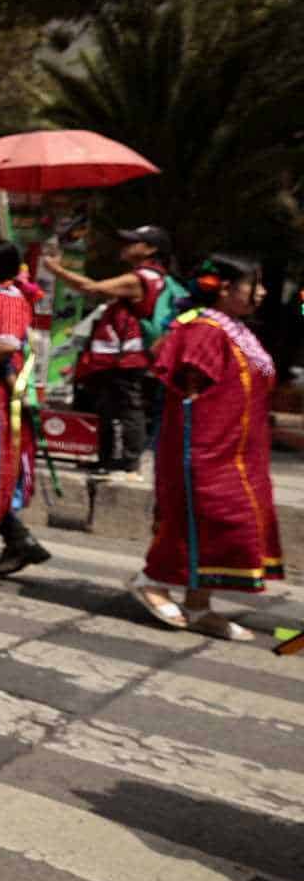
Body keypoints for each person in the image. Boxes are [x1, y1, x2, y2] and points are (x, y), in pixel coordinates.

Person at [132, 255, 284, 640]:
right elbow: (187, 388)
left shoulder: (234, 329)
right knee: (212, 519)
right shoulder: (203, 328)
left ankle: (199, 607)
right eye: (255, 284)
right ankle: (151, 580)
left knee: (228, 523)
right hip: (206, 450)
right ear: (227, 289)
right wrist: (194, 452)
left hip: (239, 450)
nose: (262, 292)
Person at [45, 224, 174, 478]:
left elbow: (92, 288)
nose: (125, 247)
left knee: (126, 407)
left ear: (151, 249)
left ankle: (127, 462)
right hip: (116, 355)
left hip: (125, 356)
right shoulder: (150, 276)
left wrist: (55, 269)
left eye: (133, 242)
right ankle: (108, 459)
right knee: (108, 406)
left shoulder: (141, 278)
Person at [0, 241, 52, 578]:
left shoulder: (5, 297)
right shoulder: (5, 293)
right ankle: (17, 539)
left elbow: (5, 344)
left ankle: (17, 539)